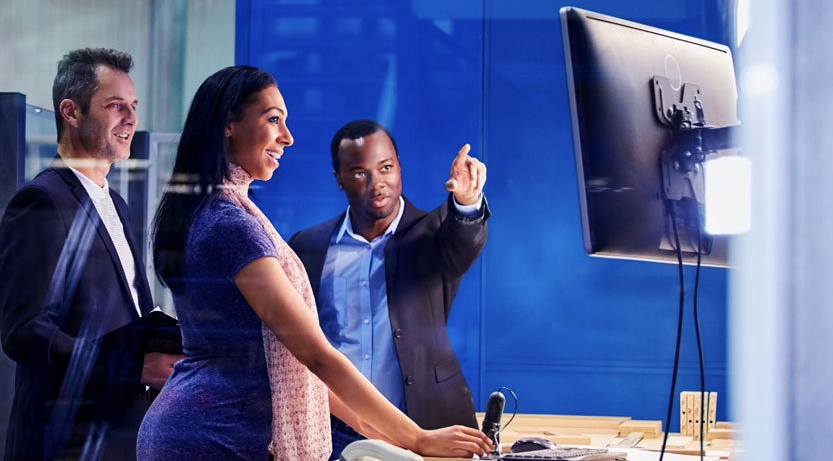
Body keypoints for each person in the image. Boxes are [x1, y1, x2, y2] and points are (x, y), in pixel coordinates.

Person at [137, 66, 492, 460]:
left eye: (386, 167)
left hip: (217, 431)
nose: (287, 137)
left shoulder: (224, 213)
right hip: (214, 439)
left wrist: (400, 440)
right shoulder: (232, 224)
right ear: (228, 124)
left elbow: (309, 372)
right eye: (273, 120)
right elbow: (316, 355)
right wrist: (418, 440)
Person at [0, 48, 180, 460]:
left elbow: (129, 317)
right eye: (115, 106)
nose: (131, 119)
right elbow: (25, 332)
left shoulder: (115, 203)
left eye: (133, 106)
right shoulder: (41, 201)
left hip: (120, 433)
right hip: (65, 442)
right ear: (71, 112)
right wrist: (133, 369)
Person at [288, 120, 490, 457]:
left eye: (386, 168)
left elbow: (464, 240)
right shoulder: (308, 247)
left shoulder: (434, 232)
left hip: (425, 421)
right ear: (339, 179)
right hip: (334, 428)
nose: (377, 183)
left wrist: (467, 200)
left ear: (399, 166)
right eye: (359, 173)